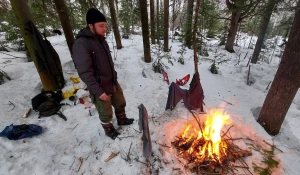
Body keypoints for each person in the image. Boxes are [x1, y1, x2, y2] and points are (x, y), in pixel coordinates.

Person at [72, 8, 134, 140]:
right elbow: (85, 72)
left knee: (120, 102)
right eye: (101, 26)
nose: (104, 28)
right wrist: (98, 91)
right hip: (99, 87)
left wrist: (114, 77)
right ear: (90, 25)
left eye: (105, 25)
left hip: (111, 81)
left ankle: (122, 119)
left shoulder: (101, 40)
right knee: (105, 112)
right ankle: (109, 129)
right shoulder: (81, 44)